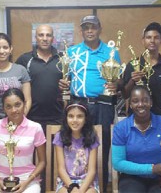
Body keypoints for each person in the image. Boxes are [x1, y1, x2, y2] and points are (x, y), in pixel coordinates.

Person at [59, 15, 120, 191]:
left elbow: (120, 79)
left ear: (100, 29)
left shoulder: (111, 52)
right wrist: (63, 83)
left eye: (93, 27)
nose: (90, 31)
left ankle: (98, 187)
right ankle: (76, 184)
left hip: (103, 105)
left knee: (102, 147)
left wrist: (117, 84)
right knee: (77, 145)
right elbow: (66, 78)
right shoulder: (72, 52)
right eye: (86, 28)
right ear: (82, 31)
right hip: (78, 105)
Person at [112, 85, 161, 193]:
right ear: (130, 105)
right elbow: (118, 163)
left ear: (151, 102)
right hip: (132, 177)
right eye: (135, 101)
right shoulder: (121, 128)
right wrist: (152, 169)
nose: (140, 104)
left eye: (145, 100)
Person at [0, 88, 47, 193]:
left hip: (27, 181)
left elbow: (42, 162)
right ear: (3, 109)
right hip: (0, 179)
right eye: (8, 106)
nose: (13, 110)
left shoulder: (35, 128)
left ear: (25, 104)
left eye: (17, 105)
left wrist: (27, 181)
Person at [122, 22, 161, 117]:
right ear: (143, 40)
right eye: (149, 37)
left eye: (156, 37)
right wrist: (132, 80)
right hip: (138, 118)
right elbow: (125, 94)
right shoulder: (133, 65)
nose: (152, 41)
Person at [16, 24, 64, 130]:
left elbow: (70, 85)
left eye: (48, 35)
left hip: (58, 117)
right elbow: (16, 88)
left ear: (53, 38)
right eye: (41, 35)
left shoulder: (63, 59)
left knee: (56, 147)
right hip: (31, 117)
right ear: (35, 38)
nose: (45, 39)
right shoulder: (24, 59)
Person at [53, 100, 100, 193]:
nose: (75, 120)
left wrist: (80, 191)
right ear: (66, 118)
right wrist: (72, 188)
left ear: (85, 119)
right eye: (71, 116)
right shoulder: (60, 136)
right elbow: (61, 169)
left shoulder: (92, 137)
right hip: (66, 182)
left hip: (87, 182)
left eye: (79, 116)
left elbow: (91, 171)